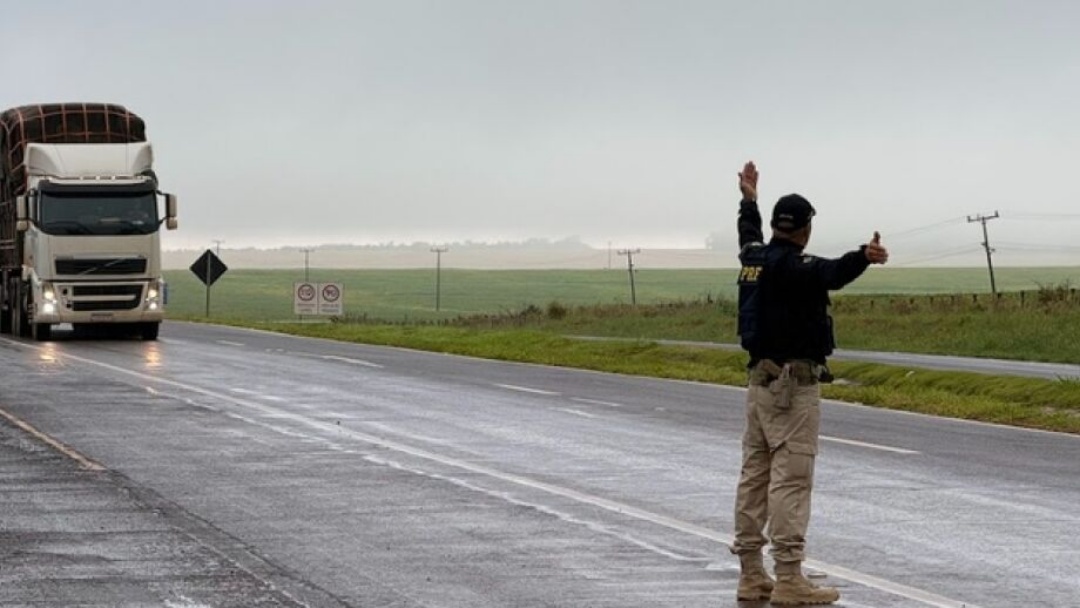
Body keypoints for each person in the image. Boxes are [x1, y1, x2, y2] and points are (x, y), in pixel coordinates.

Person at [730, 161, 888, 605]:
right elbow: (832, 273)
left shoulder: (755, 259)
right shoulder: (795, 266)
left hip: (758, 383)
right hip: (791, 387)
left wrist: (749, 200)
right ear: (804, 229)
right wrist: (865, 256)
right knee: (791, 480)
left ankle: (750, 573)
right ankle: (789, 578)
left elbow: (747, 235)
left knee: (753, 478)